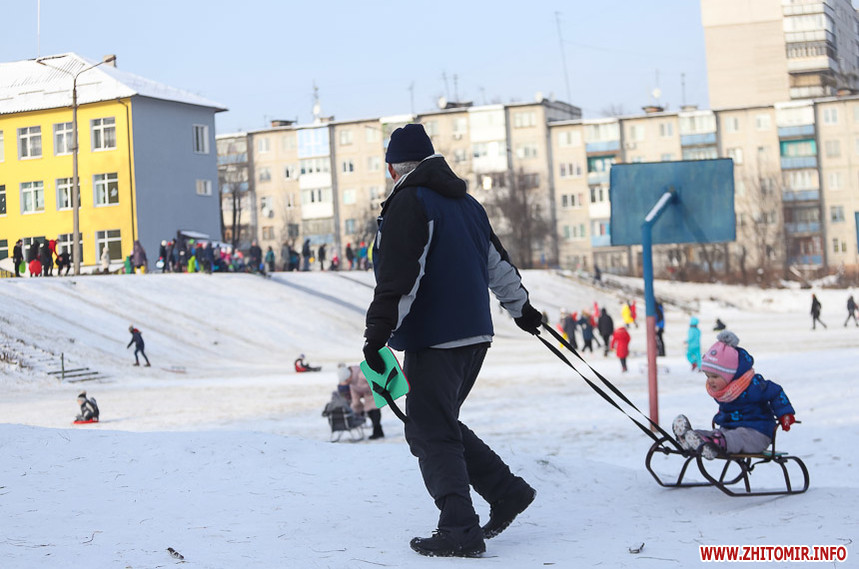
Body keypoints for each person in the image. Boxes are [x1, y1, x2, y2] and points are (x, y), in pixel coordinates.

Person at [362, 124, 540, 558]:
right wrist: (522, 309)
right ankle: (506, 492)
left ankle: (460, 528)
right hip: (475, 333)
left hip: (435, 336)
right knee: (437, 422)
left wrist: (377, 333)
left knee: (429, 429)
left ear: (393, 169)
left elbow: (401, 277)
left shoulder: (411, 202)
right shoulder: (467, 204)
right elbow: (497, 265)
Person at [672, 331, 796, 459]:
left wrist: (785, 413)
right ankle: (692, 438)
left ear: (730, 375)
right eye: (708, 376)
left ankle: (712, 444)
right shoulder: (724, 391)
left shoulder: (754, 386)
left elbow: (776, 392)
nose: (710, 381)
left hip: (757, 433)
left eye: (715, 376)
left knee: (736, 437)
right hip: (730, 430)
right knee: (718, 434)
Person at [337, 363, 384, 439]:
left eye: (346, 381)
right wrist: (355, 411)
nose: (346, 383)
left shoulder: (361, 375)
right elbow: (355, 399)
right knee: (369, 411)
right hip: (367, 395)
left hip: (375, 392)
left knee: (375, 411)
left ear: (348, 376)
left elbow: (374, 380)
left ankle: (378, 432)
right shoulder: (352, 384)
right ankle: (377, 431)